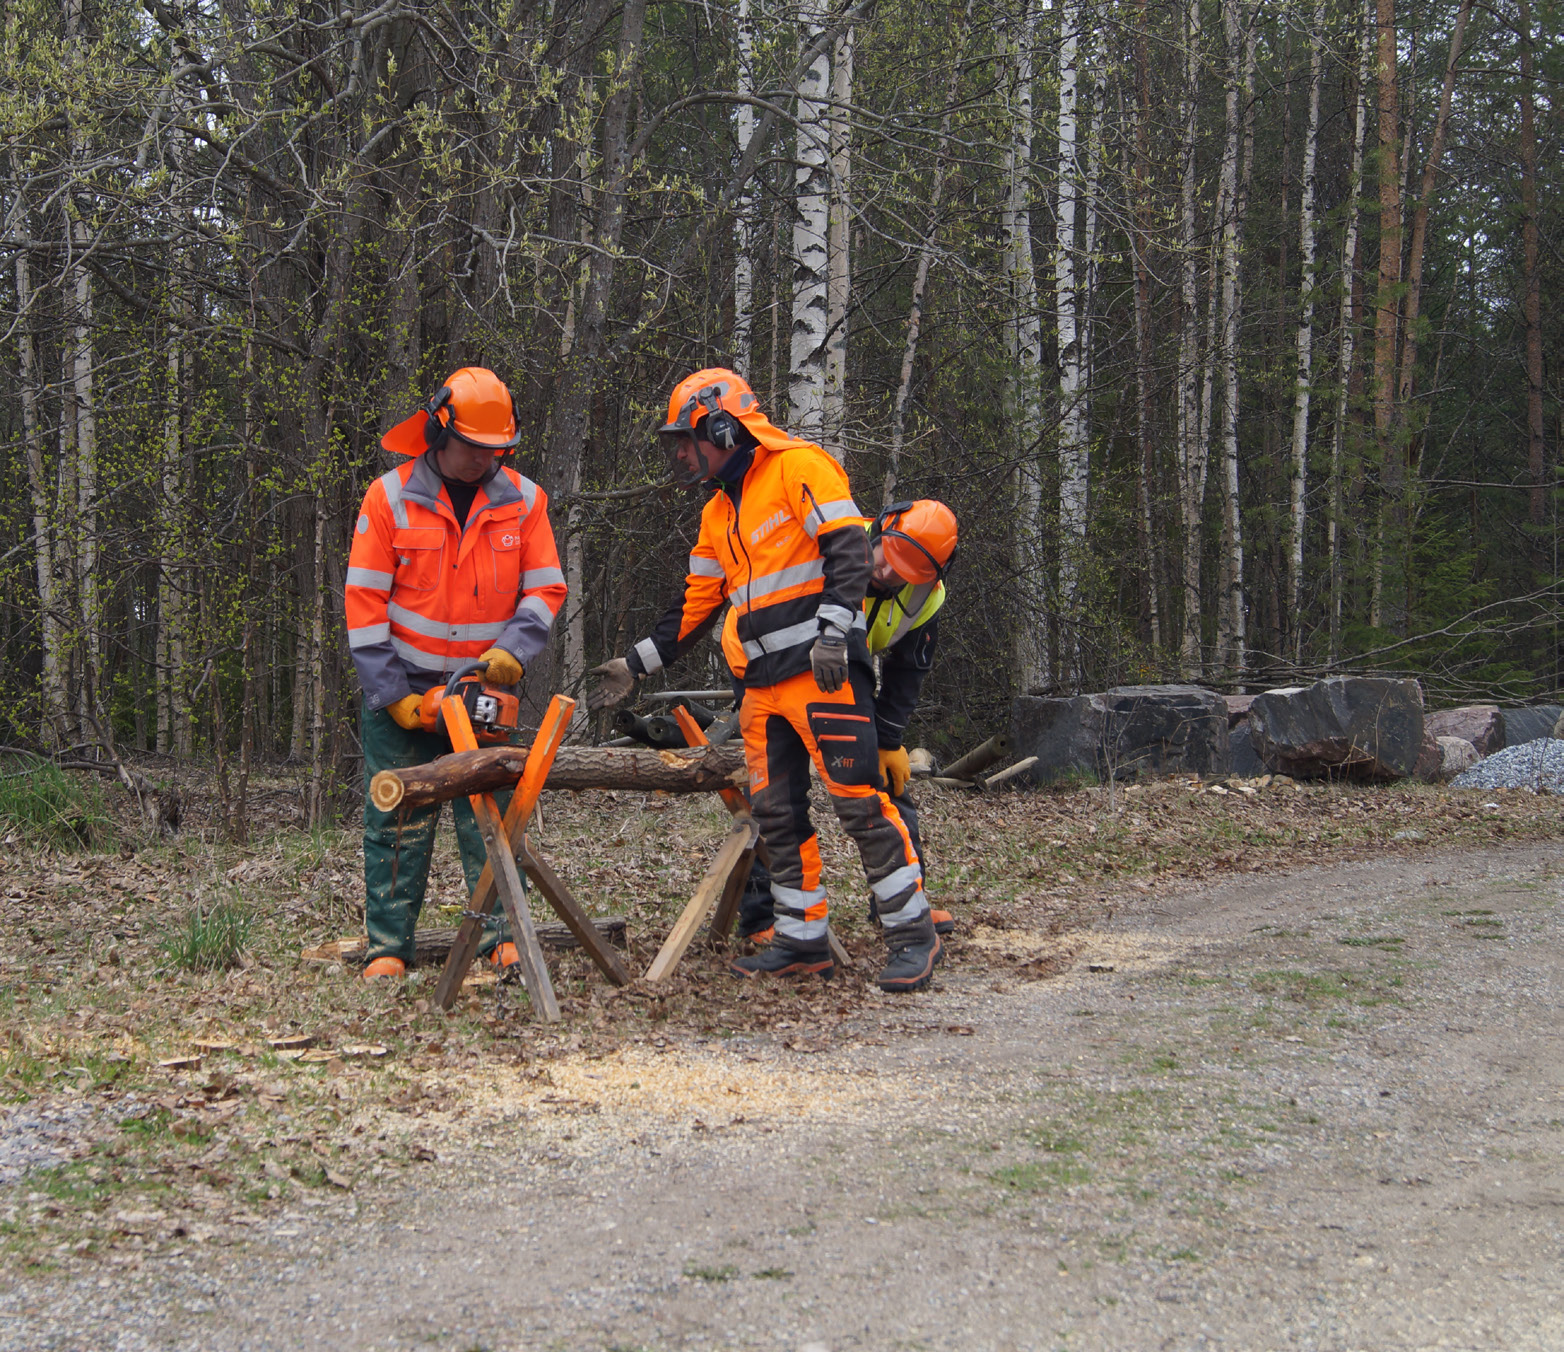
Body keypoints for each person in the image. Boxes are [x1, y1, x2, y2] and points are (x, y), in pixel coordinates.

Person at [588, 369, 941, 993]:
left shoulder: (801, 467)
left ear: (722, 426)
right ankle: (801, 939)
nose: (682, 455)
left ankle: (913, 934)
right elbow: (694, 604)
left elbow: (848, 548)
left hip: (823, 675)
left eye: (688, 439)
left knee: (858, 802)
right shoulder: (717, 514)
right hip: (759, 685)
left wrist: (834, 631)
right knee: (777, 813)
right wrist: (635, 663)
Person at [344, 367, 567, 980]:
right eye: (473, 448)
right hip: (407, 687)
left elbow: (545, 588)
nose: (483, 461)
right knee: (396, 818)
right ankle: (388, 946)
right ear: (440, 430)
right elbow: (363, 605)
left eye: (495, 451)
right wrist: (392, 696)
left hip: (483, 689)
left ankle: (502, 935)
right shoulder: (387, 498)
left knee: (491, 813)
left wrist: (514, 651)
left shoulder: (525, 500)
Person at [738, 499, 959, 943]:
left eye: (905, 573)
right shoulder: (835, 546)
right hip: (764, 661)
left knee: (883, 786)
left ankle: (901, 904)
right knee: (772, 796)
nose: (887, 574)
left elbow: (908, 668)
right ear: (878, 532)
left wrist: (888, 738)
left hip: (841, 668)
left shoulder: (926, 597)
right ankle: (763, 919)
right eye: (887, 559)